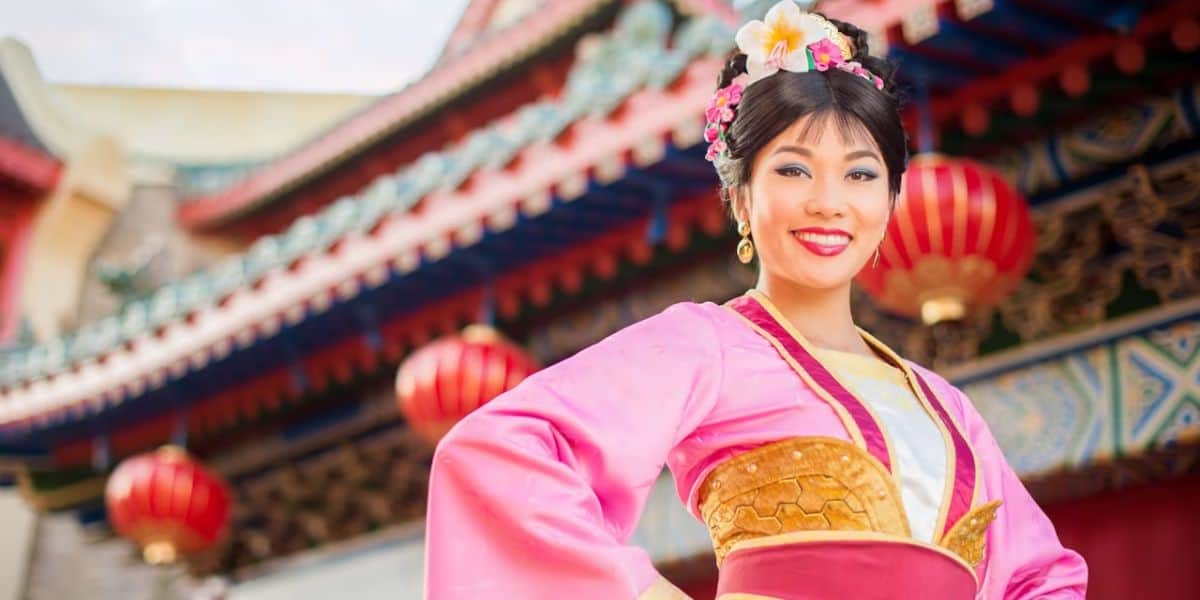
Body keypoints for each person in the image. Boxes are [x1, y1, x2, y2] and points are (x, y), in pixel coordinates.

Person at [423, 2, 1087, 598]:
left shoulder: (947, 406)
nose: (828, 201)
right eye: (793, 169)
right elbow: (496, 451)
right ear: (741, 197)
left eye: (860, 174)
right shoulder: (705, 346)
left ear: (888, 202)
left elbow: (1041, 576)